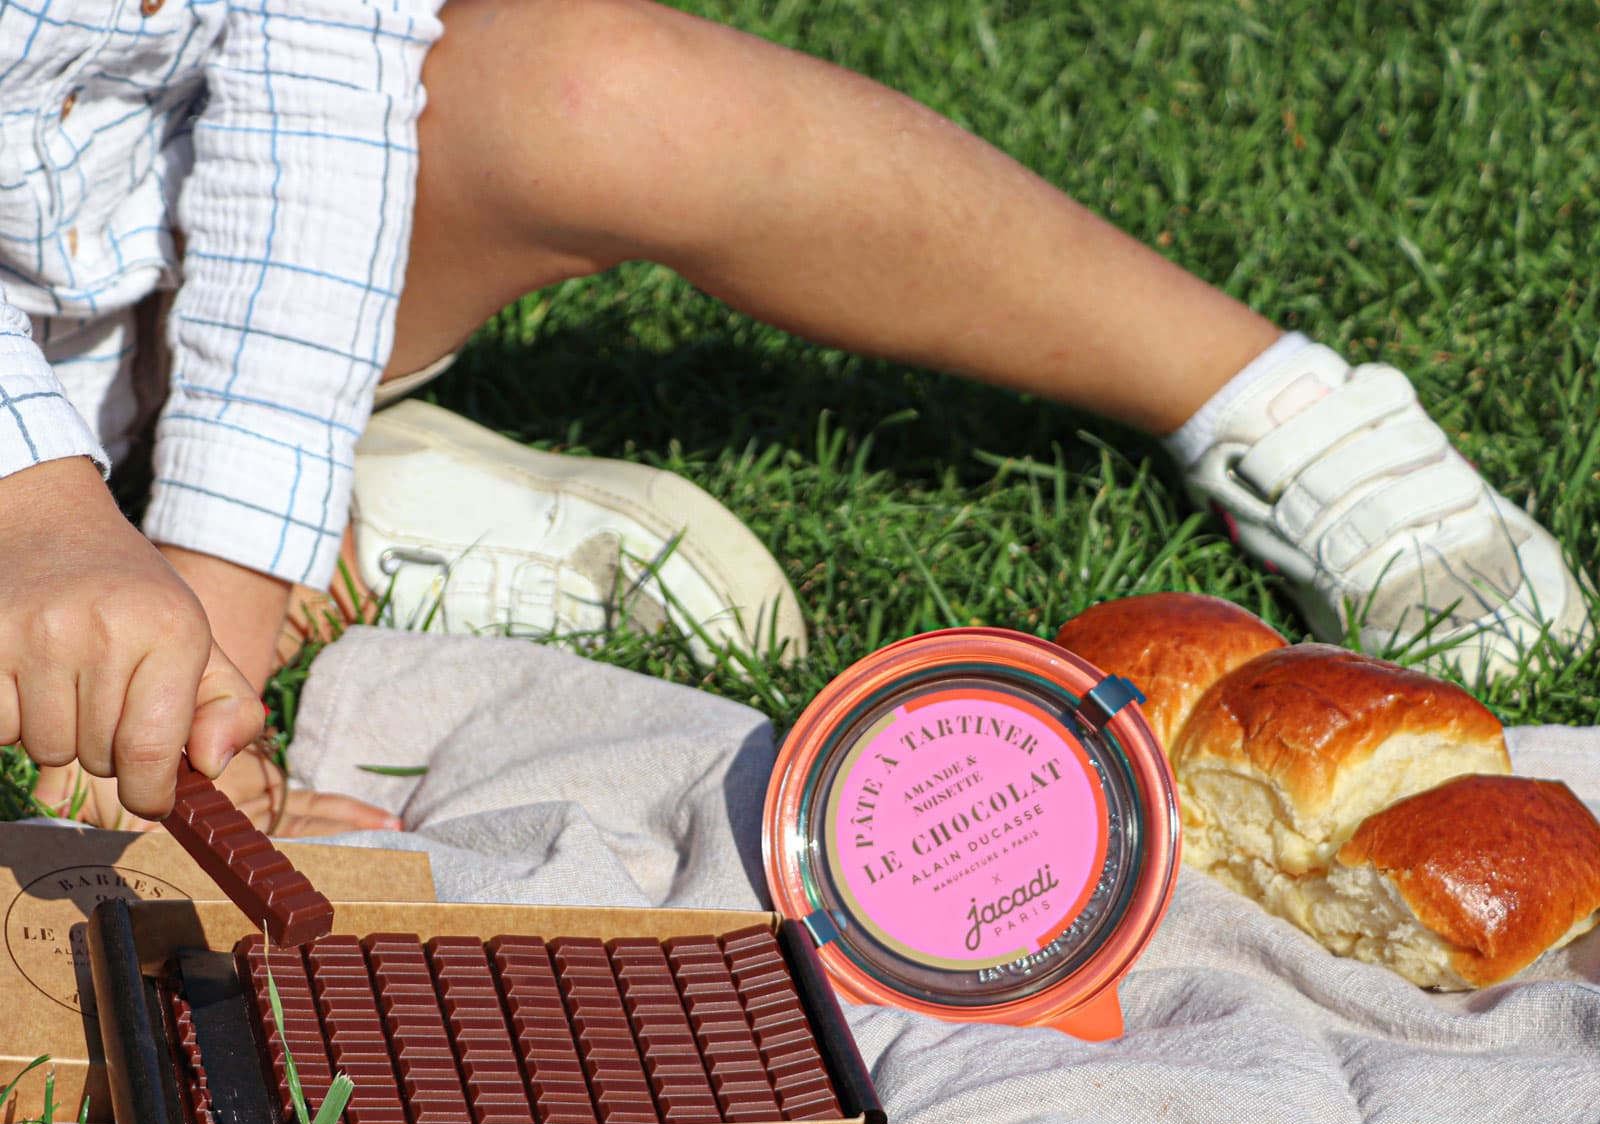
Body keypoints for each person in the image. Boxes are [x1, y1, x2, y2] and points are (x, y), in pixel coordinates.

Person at [2, 0, 1588, 836]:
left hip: (147, 280)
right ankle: (310, 522)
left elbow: (315, 105)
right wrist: (36, 508)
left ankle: (1271, 404)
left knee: (599, 92)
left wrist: (226, 567)